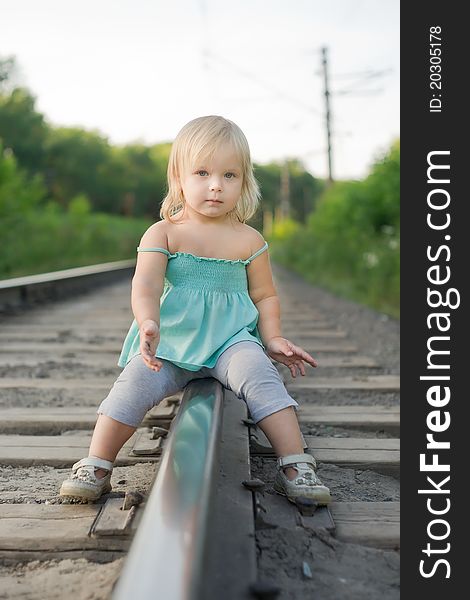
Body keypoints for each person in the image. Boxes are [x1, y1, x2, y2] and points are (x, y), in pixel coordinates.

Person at [59, 115, 331, 505]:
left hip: (230, 342)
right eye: (202, 172)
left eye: (230, 175)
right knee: (132, 386)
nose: (216, 186)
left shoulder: (248, 239)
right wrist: (148, 322)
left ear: (245, 182)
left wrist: (271, 337)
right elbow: (146, 285)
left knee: (261, 376)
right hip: (172, 342)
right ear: (179, 178)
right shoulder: (164, 232)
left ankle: (296, 463)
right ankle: (96, 463)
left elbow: (266, 296)